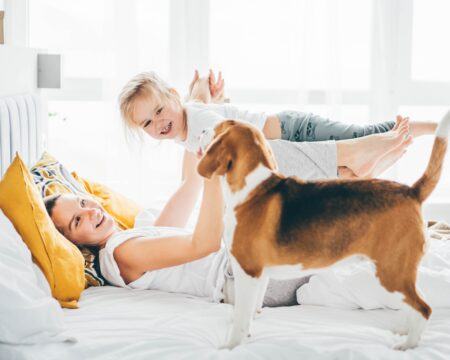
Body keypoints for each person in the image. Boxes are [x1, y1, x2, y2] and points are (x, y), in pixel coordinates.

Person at [117, 70, 436, 229]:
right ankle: (382, 153)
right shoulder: (187, 125)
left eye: (159, 110)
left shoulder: (198, 123)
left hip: (298, 131)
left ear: (174, 96)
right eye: (146, 123)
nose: (157, 123)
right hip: (288, 137)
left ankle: (431, 129)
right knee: (344, 174)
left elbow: (228, 142)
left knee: (363, 135)